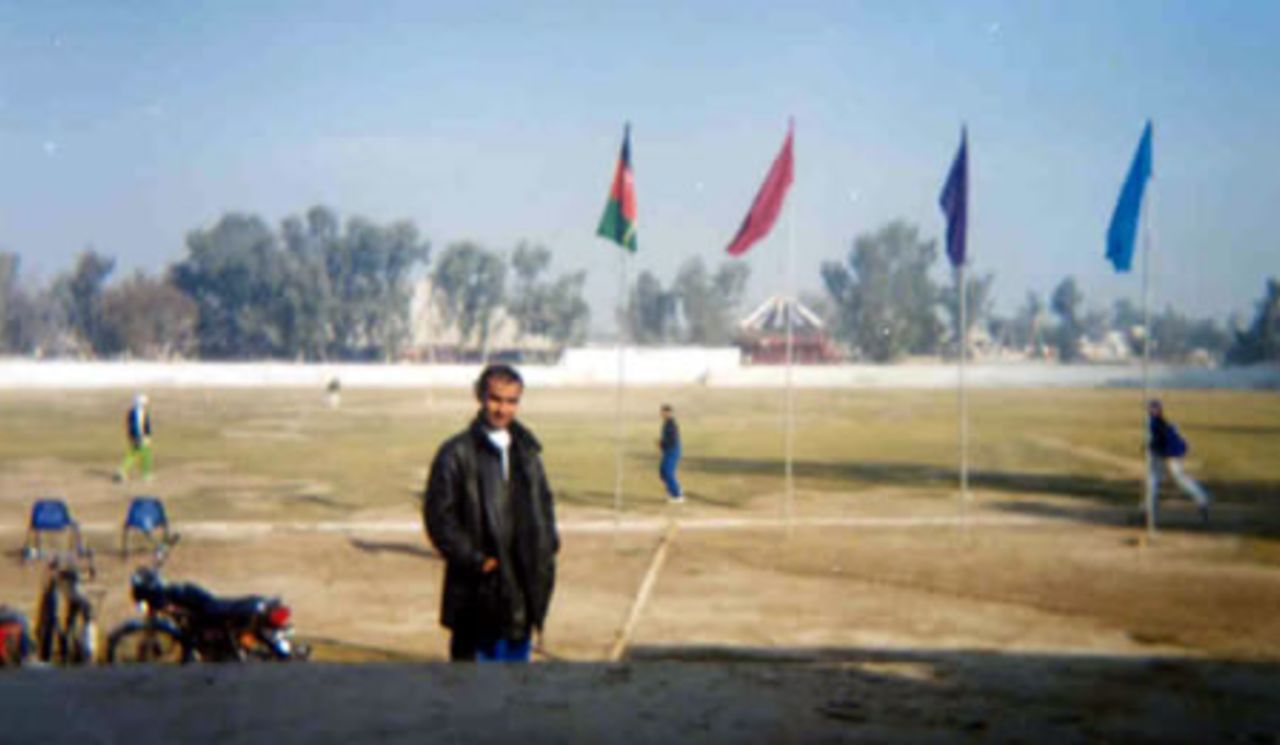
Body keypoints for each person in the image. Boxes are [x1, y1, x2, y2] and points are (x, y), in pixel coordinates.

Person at [423, 364, 559, 662]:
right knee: (475, 696)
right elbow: (439, 519)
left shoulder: (528, 452)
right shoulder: (456, 454)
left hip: (521, 594)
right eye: (495, 399)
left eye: (511, 401)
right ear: (480, 396)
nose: (502, 409)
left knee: (514, 695)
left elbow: (544, 505)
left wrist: (547, 547)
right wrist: (476, 560)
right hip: (478, 597)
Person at [1146, 399, 1211, 524]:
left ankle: (1202, 499)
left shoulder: (1158, 423)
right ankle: (1149, 511)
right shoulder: (1158, 423)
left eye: (1152, 408)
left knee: (1174, 480)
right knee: (1153, 481)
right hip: (1162, 457)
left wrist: (1152, 446)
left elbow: (1161, 441)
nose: (1150, 410)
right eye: (1149, 408)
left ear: (1158, 410)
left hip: (1166, 458)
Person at [116, 393, 153, 482]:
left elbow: (144, 425)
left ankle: (121, 471)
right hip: (140, 437)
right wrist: (139, 437)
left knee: (132, 454)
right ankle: (146, 475)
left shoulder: (136, 412)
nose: (145, 404)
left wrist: (146, 435)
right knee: (145, 455)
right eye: (144, 402)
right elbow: (136, 426)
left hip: (138, 437)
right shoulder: (137, 412)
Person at [658, 404, 683, 503]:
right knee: (663, 472)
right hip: (668, 450)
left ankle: (677, 495)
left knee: (668, 472)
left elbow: (672, 440)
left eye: (663, 412)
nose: (661, 414)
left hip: (672, 450)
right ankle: (672, 490)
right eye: (661, 412)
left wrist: (662, 444)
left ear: (668, 413)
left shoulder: (671, 424)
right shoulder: (666, 423)